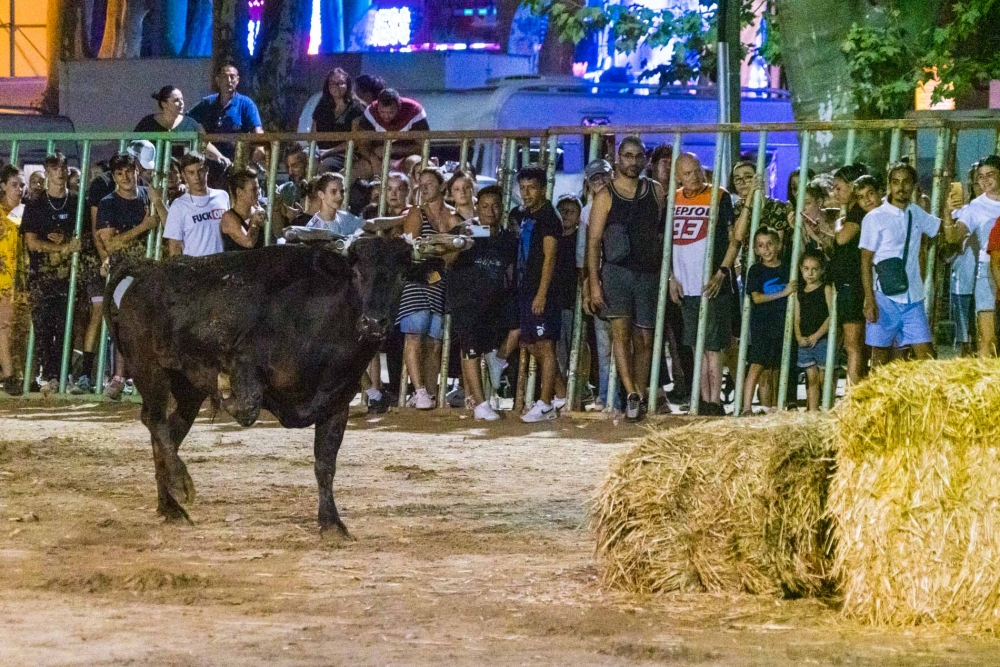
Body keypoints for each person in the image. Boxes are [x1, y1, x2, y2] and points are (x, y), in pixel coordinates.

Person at [587, 137, 665, 421]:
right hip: (616, 272)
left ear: (644, 159)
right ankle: (631, 392)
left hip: (647, 272)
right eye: (627, 156)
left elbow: (659, 232)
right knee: (620, 335)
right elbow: (593, 242)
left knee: (644, 338)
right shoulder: (605, 195)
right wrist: (594, 284)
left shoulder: (655, 191)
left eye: (637, 156)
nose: (632, 161)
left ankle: (640, 393)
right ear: (619, 158)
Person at [669, 153, 737, 416]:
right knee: (696, 345)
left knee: (714, 345)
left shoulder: (719, 195)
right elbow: (669, 243)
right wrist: (672, 278)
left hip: (711, 282)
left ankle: (714, 401)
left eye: (698, 170)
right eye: (688, 173)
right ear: (678, 177)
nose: (695, 176)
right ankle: (702, 399)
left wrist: (723, 271)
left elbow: (733, 239)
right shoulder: (673, 199)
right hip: (686, 284)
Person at [94, 152, 166, 398]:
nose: (125, 177)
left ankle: (143, 377)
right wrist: (142, 228)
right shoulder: (108, 203)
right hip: (123, 272)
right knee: (127, 323)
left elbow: (169, 226)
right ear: (114, 177)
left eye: (129, 171)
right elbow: (110, 244)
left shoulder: (148, 195)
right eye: (119, 173)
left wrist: (158, 203)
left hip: (150, 270)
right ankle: (118, 376)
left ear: (137, 171)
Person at [446, 185, 518, 421]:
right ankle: (480, 404)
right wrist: (460, 244)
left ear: (502, 208)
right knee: (471, 350)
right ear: (477, 207)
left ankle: (498, 361)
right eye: (485, 206)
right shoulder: (467, 230)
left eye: (495, 206)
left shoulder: (507, 238)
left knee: (517, 327)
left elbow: (511, 269)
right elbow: (446, 260)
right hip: (467, 301)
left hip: (497, 302)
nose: (491, 211)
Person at [860, 162, 940, 366]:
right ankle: (878, 398)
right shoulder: (874, 218)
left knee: (927, 357)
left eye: (905, 182)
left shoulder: (916, 213)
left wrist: (950, 212)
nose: (900, 187)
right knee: (879, 357)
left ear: (913, 185)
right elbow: (866, 260)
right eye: (895, 182)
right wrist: (869, 299)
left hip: (913, 297)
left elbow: (938, 229)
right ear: (889, 185)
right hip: (884, 296)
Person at [20, 152, 81, 394]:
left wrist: (69, 241)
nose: (60, 171)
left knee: (65, 325)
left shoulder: (76, 201)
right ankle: (51, 374)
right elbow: (32, 242)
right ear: (47, 171)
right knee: (44, 327)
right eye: (54, 167)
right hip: (42, 276)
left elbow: (85, 234)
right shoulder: (36, 204)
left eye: (63, 167)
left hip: (69, 275)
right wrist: (61, 247)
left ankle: (63, 373)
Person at [397, 168, 456, 409]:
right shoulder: (416, 213)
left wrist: (440, 269)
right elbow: (411, 249)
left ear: (442, 186)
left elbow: (456, 250)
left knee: (434, 342)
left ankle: (430, 392)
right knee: (414, 334)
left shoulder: (452, 217)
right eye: (421, 184)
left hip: (438, 281)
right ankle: (419, 390)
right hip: (418, 280)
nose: (425, 188)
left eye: (430, 183)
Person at [514, 166, 563, 423]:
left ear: (543, 188)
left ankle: (545, 403)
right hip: (526, 288)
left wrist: (541, 294)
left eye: (531, 187)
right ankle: (561, 395)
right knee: (532, 344)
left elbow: (550, 257)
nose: (526, 193)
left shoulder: (548, 218)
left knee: (544, 346)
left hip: (541, 291)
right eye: (522, 188)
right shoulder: (525, 214)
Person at [944, 155, 1000, 358]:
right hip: (988, 273)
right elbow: (953, 238)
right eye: (981, 176)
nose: (985, 180)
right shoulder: (976, 206)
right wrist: (948, 214)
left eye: (990, 175)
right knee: (988, 338)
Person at [826, 163, 871, 386]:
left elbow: (842, 238)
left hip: (852, 284)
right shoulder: (855, 212)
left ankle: (854, 394)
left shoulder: (857, 212)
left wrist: (835, 227)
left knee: (853, 345)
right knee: (854, 344)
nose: (835, 193)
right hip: (848, 283)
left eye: (838, 188)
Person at [740, 228, 793, 415]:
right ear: (755, 250)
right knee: (757, 364)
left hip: (781, 324)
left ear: (778, 245)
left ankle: (772, 407)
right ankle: (746, 406)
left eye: (770, 244)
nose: (766, 249)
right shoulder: (756, 270)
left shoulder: (787, 267)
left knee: (776, 367)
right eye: (761, 246)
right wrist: (783, 293)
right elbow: (757, 298)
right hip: (762, 324)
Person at [187, 62, 265, 175]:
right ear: (218, 80)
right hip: (208, 163)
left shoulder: (246, 103)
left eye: (232, 77)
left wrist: (260, 146)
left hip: (237, 162)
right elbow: (187, 120)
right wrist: (200, 131)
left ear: (237, 80)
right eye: (224, 76)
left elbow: (257, 129)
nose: (229, 80)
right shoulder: (207, 103)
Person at [164, 152, 231, 258]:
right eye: (191, 172)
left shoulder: (223, 196)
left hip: (222, 266)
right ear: (184, 175)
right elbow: (175, 246)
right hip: (196, 269)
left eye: (200, 171)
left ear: (206, 171)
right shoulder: (178, 206)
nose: (196, 177)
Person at [356, 89, 430, 179]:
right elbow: (362, 145)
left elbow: (423, 146)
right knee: (352, 171)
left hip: (408, 157)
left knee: (417, 164)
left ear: (399, 106)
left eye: (391, 112)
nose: (386, 116)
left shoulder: (414, 110)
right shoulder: (371, 112)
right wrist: (373, 158)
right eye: (382, 112)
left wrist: (392, 149)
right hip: (378, 158)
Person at [795, 250, 834, 411]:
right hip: (805, 341)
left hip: (822, 339)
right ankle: (812, 411)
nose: (810, 273)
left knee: (825, 378)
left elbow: (832, 315)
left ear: (822, 270)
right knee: (811, 378)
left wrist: (817, 335)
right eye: (806, 269)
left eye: (814, 269)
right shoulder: (799, 293)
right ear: (800, 269)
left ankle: (827, 410)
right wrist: (798, 337)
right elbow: (796, 318)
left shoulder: (825, 288)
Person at [134, 86, 212, 161]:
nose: (182, 103)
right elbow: (133, 147)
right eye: (176, 100)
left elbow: (204, 143)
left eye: (182, 99)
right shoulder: (147, 123)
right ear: (164, 104)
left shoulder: (190, 124)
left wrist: (220, 157)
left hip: (180, 172)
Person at [311, 68, 366, 170]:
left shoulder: (356, 107)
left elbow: (355, 140)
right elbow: (313, 134)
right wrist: (316, 151)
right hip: (320, 151)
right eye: (332, 83)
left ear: (347, 85)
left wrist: (329, 152)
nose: (337, 86)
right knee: (300, 160)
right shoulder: (322, 106)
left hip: (345, 153)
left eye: (341, 83)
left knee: (324, 166)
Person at [0, 164, 24, 394]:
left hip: (12, 282)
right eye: (14, 185)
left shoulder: (21, 213)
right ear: (3, 187)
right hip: (4, 282)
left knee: (8, 328)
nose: (20, 190)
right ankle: (9, 375)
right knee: (4, 328)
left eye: (21, 185)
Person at [304, 172, 365, 236]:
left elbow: (368, 225)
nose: (340, 197)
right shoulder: (313, 227)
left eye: (342, 191)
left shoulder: (347, 218)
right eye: (333, 192)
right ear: (321, 194)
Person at [220, 168, 266, 252]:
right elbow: (249, 243)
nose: (258, 193)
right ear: (239, 193)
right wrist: (255, 223)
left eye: (258, 188)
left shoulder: (257, 211)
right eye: (253, 189)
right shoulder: (229, 217)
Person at [275, 145, 309, 230]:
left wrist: (301, 217)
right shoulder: (284, 190)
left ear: (306, 164)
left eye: (295, 166)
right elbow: (278, 234)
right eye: (288, 167)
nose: (290, 172)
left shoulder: (320, 188)